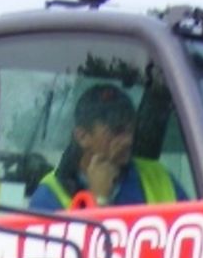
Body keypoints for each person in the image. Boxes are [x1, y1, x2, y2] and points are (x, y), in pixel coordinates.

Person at [29, 83, 186, 211]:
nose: (128, 140)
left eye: (131, 130)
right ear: (82, 137)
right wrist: (99, 200)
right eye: (117, 131)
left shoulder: (158, 176)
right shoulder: (49, 196)